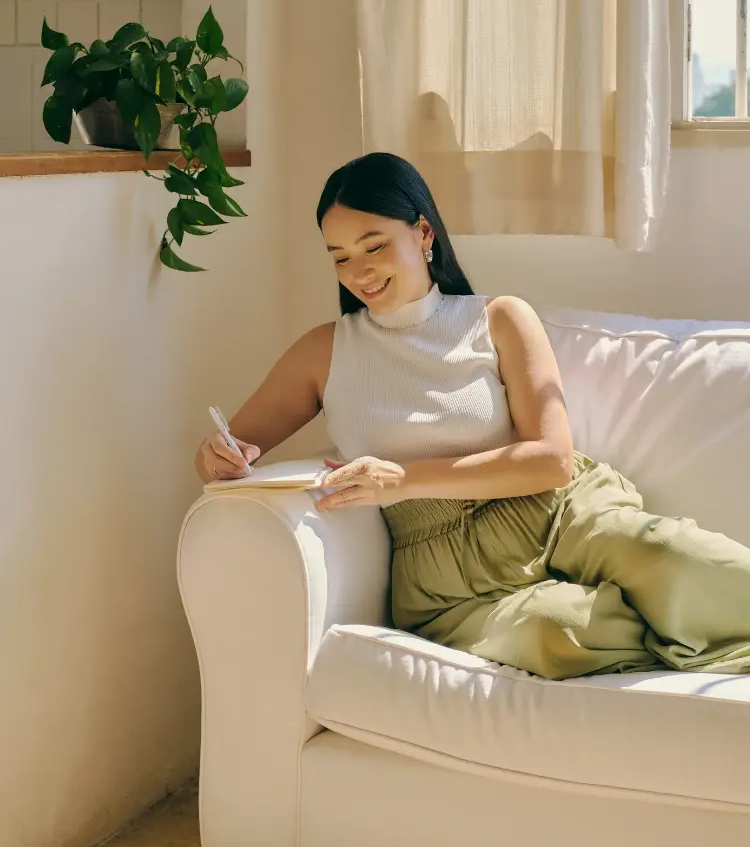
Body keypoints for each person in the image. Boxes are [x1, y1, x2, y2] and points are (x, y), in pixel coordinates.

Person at [195, 152, 750, 680]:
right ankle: (673, 633)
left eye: (374, 246)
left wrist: (404, 479)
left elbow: (552, 461)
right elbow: (230, 448)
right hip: (444, 572)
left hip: (559, 514)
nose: (358, 272)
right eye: (340, 257)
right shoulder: (323, 351)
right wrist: (217, 456)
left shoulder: (500, 318)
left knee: (673, 556)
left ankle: (682, 624)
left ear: (423, 233)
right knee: (557, 633)